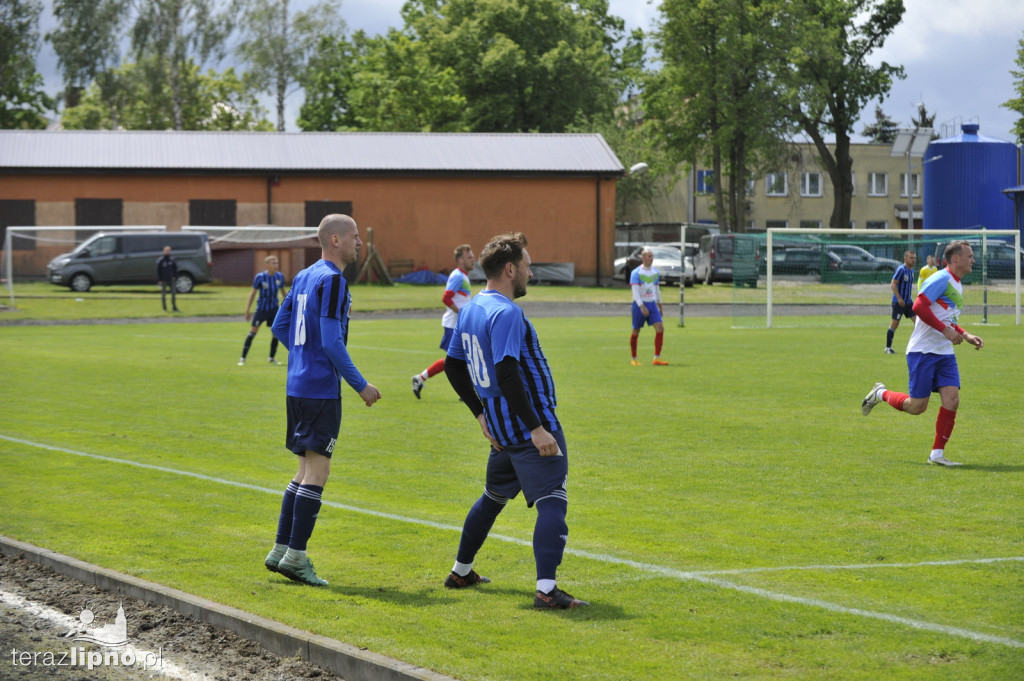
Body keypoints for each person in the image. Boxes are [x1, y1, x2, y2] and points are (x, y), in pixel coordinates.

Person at [443, 232, 588, 610]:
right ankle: (546, 590)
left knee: (492, 499)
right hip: (528, 426)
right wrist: (537, 428)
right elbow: (508, 372)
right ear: (510, 269)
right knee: (553, 500)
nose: (531, 273)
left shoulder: (473, 307)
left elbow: (454, 367)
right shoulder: (506, 312)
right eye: (527, 266)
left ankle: (461, 571)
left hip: (501, 429)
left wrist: (479, 413)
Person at [264, 214, 382, 586]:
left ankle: (281, 549)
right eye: (355, 236)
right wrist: (361, 385)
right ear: (335, 240)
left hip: (297, 387)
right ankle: (296, 557)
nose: (360, 243)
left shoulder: (304, 276)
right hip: (319, 391)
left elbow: (280, 326)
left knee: (303, 471)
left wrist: (302, 356)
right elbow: (331, 342)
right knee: (318, 472)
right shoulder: (332, 280)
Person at [862, 240, 984, 466]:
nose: (973, 260)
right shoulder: (941, 278)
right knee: (917, 407)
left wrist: (965, 335)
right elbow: (918, 306)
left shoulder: (957, 284)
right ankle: (880, 394)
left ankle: (937, 454)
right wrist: (945, 330)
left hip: (944, 353)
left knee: (952, 399)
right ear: (955, 259)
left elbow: (948, 320)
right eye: (970, 256)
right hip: (923, 351)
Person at [411, 244, 475, 398]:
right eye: (469, 257)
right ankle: (421, 379)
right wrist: (462, 314)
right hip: (453, 326)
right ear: (460, 260)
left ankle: (420, 379)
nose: (473, 259)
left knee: (461, 359)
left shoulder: (463, 276)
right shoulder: (458, 276)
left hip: (458, 325)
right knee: (457, 360)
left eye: (473, 256)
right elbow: (446, 298)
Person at [238, 255, 287, 366]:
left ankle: (271, 358)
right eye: (273, 263)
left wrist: (289, 308)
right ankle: (242, 358)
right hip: (261, 310)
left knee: (275, 334)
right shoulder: (260, 277)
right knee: (252, 333)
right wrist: (247, 310)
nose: (276, 265)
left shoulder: (279, 276)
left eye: (277, 263)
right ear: (267, 265)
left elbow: (284, 293)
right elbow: (253, 294)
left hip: (274, 309)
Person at [629, 248, 668, 366]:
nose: (651, 258)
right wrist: (641, 306)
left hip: (652, 304)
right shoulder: (636, 273)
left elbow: (656, 289)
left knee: (660, 328)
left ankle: (657, 358)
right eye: (649, 256)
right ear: (643, 258)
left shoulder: (655, 272)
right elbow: (635, 292)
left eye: (652, 256)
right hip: (639, 305)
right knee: (636, 331)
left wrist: (660, 305)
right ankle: (634, 359)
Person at [885, 250, 917, 354]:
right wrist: (899, 298)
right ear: (905, 259)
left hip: (908, 303)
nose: (913, 260)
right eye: (911, 258)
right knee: (895, 324)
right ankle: (888, 348)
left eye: (914, 258)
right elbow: (893, 284)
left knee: (918, 323)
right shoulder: (901, 270)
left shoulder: (912, 271)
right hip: (899, 303)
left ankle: (917, 346)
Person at [156, 246, 179, 312]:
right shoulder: (161, 260)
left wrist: (175, 276)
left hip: (171, 279)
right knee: (163, 294)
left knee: (173, 293)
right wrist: (159, 280)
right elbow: (158, 270)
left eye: (169, 251)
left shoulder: (172, 259)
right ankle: (164, 307)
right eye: (166, 251)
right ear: (164, 251)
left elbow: (175, 268)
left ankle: (174, 306)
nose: (167, 252)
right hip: (163, 279)